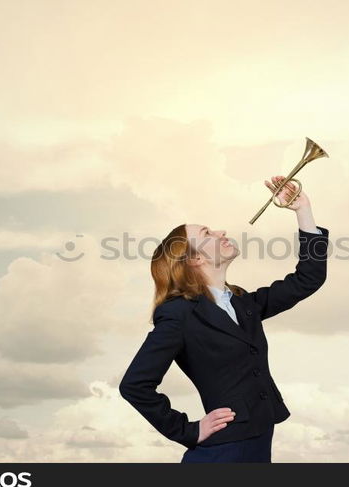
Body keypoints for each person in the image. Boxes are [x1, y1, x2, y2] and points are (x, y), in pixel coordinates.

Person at [119, 175, 329, 462]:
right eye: (207, 233)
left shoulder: (243, 303)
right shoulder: (178, 314)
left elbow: (308, 279)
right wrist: (187, 431)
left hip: (258, 441)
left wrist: (303, 210)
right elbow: (134, 385)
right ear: (193, 260)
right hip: (224, 452)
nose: (220, 232)